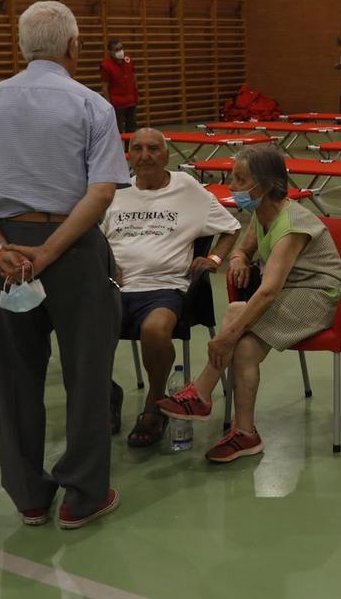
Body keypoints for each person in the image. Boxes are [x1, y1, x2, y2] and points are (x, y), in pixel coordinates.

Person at [0, 0, 130, 529]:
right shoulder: (91, 105)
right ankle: (83, 494)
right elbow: (100, 192)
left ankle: (30, 495)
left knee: (13, 375)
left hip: (4, 248)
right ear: (75, 47)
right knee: (86, 373)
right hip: (71, 246)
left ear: (21, 47)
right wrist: (51, 252)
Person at [157, 145, 341, 463]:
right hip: (293, 293)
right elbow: (243, 249)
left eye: (241, 180)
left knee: (236, 325)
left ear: (268, 184)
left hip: (321, 296)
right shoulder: (262, 215)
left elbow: (269, 291)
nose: (232, 186)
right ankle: (244, 432)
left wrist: (227, 336)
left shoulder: (291, 224)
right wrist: (238, 259)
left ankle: (203, 395)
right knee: (242, 343)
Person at [104, 127, 241, 448]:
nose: (145, 155)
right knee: (81, 328)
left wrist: (215, 258)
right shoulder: (116, 191)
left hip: (165, 287)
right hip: (112, 287)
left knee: (155, 329)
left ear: (166, 156)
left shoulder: (187, 188)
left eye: (154, 149)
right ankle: (105, 393)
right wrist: (106, 263)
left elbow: (231, 227)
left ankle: (154, 400)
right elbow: (96, 236)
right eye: (137, 149)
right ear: (130, 156)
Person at [100, 37, 139, 134]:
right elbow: (105, 87)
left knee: (131, 129)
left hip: (131, 102)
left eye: (121, 48)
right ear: (110, 52)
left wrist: (136, 96)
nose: (120, 51)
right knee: (118, 131)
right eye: (117, 50)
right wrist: (109, 105)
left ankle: (129, 149)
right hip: (117, 104)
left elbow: (133, 78)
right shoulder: (106, 66)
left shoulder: (128, 60)